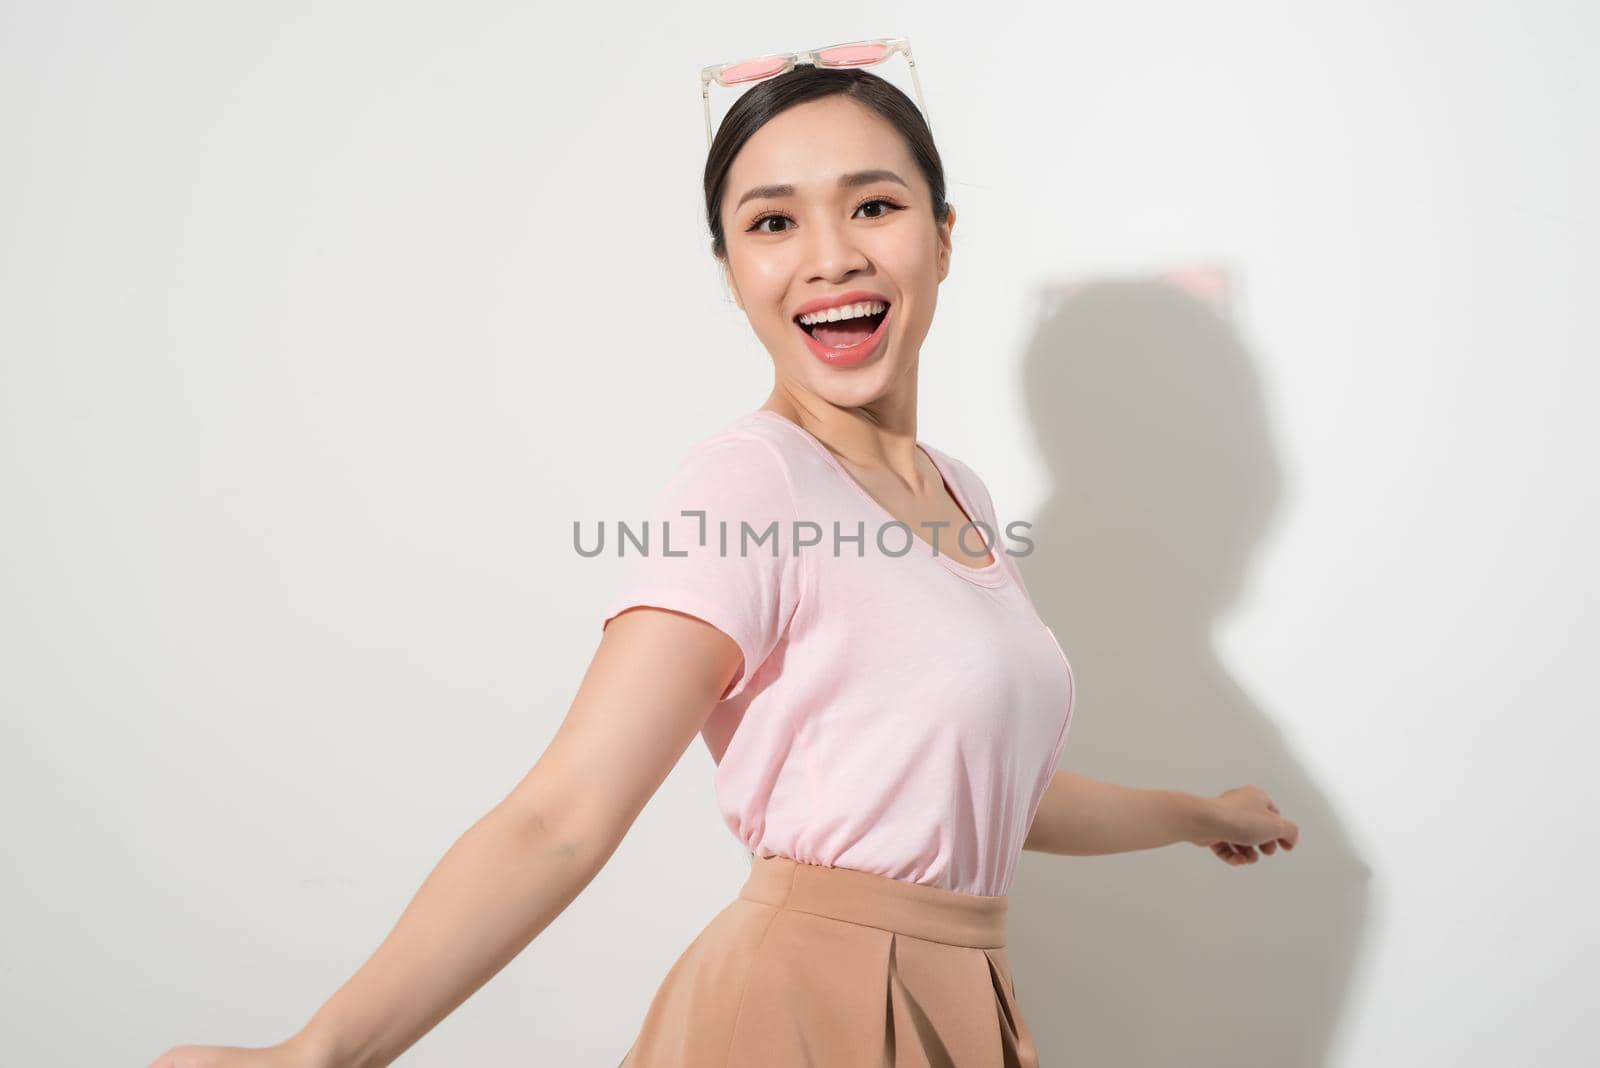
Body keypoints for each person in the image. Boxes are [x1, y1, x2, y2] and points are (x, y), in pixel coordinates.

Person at [150, 63, 1299, 1068]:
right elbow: (562, 815)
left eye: (875, 205)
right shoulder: (748, 484)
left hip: (958, 989)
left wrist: (1191, 813)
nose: (831, 257)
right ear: (729, 266)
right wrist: (322, 1053)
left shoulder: (959, 494)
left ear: (944, 236)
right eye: (772, 222)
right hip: (806, 1005)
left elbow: (977, 787)